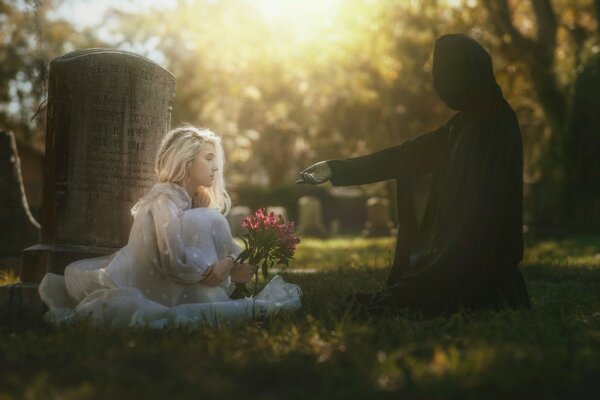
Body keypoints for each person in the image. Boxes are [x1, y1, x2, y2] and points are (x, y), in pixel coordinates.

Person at [297, 34, 531, 317]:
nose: (440, 85)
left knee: (415, 297)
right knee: (408, 294)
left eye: (445, 74)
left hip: (481, 261)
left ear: (465, 72)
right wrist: (336, 169)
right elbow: (404, 156)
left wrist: (458, 255)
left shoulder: (497, 121)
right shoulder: (459, 125)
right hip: (453, 254)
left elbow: (490, 208)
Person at [39, 125, 302, 329]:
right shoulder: (164, 198)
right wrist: (228, 274)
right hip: (150, 284)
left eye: (216, 160)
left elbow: (229, 250)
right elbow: (174, 263)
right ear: (186, 160)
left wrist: (230, 262)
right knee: (209, 219)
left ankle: (206, 297)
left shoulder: (193, 200)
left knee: (208, 217)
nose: (215, 167)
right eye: (208, 158)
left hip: (181, 282)